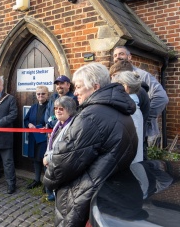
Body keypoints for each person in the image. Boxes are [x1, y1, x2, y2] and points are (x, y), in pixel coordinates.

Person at [43, 63, 138, 226]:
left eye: (79, 86)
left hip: (81, 197)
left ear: (95, 86)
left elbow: (63, 162)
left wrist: (48, 180)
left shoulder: (91, 116)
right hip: (104, 193)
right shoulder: (121, 112)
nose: (75, 92)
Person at [113, 46, 169, 138]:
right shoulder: (113, 77)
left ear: (129, 57)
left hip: (142, 131)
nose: (117, 57)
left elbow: (161, 97)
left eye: (121, 54)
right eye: (115, 55)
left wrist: (144, 117)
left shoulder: (142, 75)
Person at [112, 71, 144, 163]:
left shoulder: (129, 111)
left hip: (130, 167)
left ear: (125, 87)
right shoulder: (134, 108)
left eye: (115, 86)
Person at [24, 85, 49, 189]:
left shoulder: (50, 106)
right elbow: (26, 120)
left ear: (47, 95)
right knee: (35, 159)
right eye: (38, 94)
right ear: (36, 95)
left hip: (44, 138)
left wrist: (47, 126)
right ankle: (37, 180)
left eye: (43, 94)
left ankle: (47, 184)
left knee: (45, 160)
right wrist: (29, 124)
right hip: (34, 138)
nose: (40, 96)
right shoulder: (33, 107)